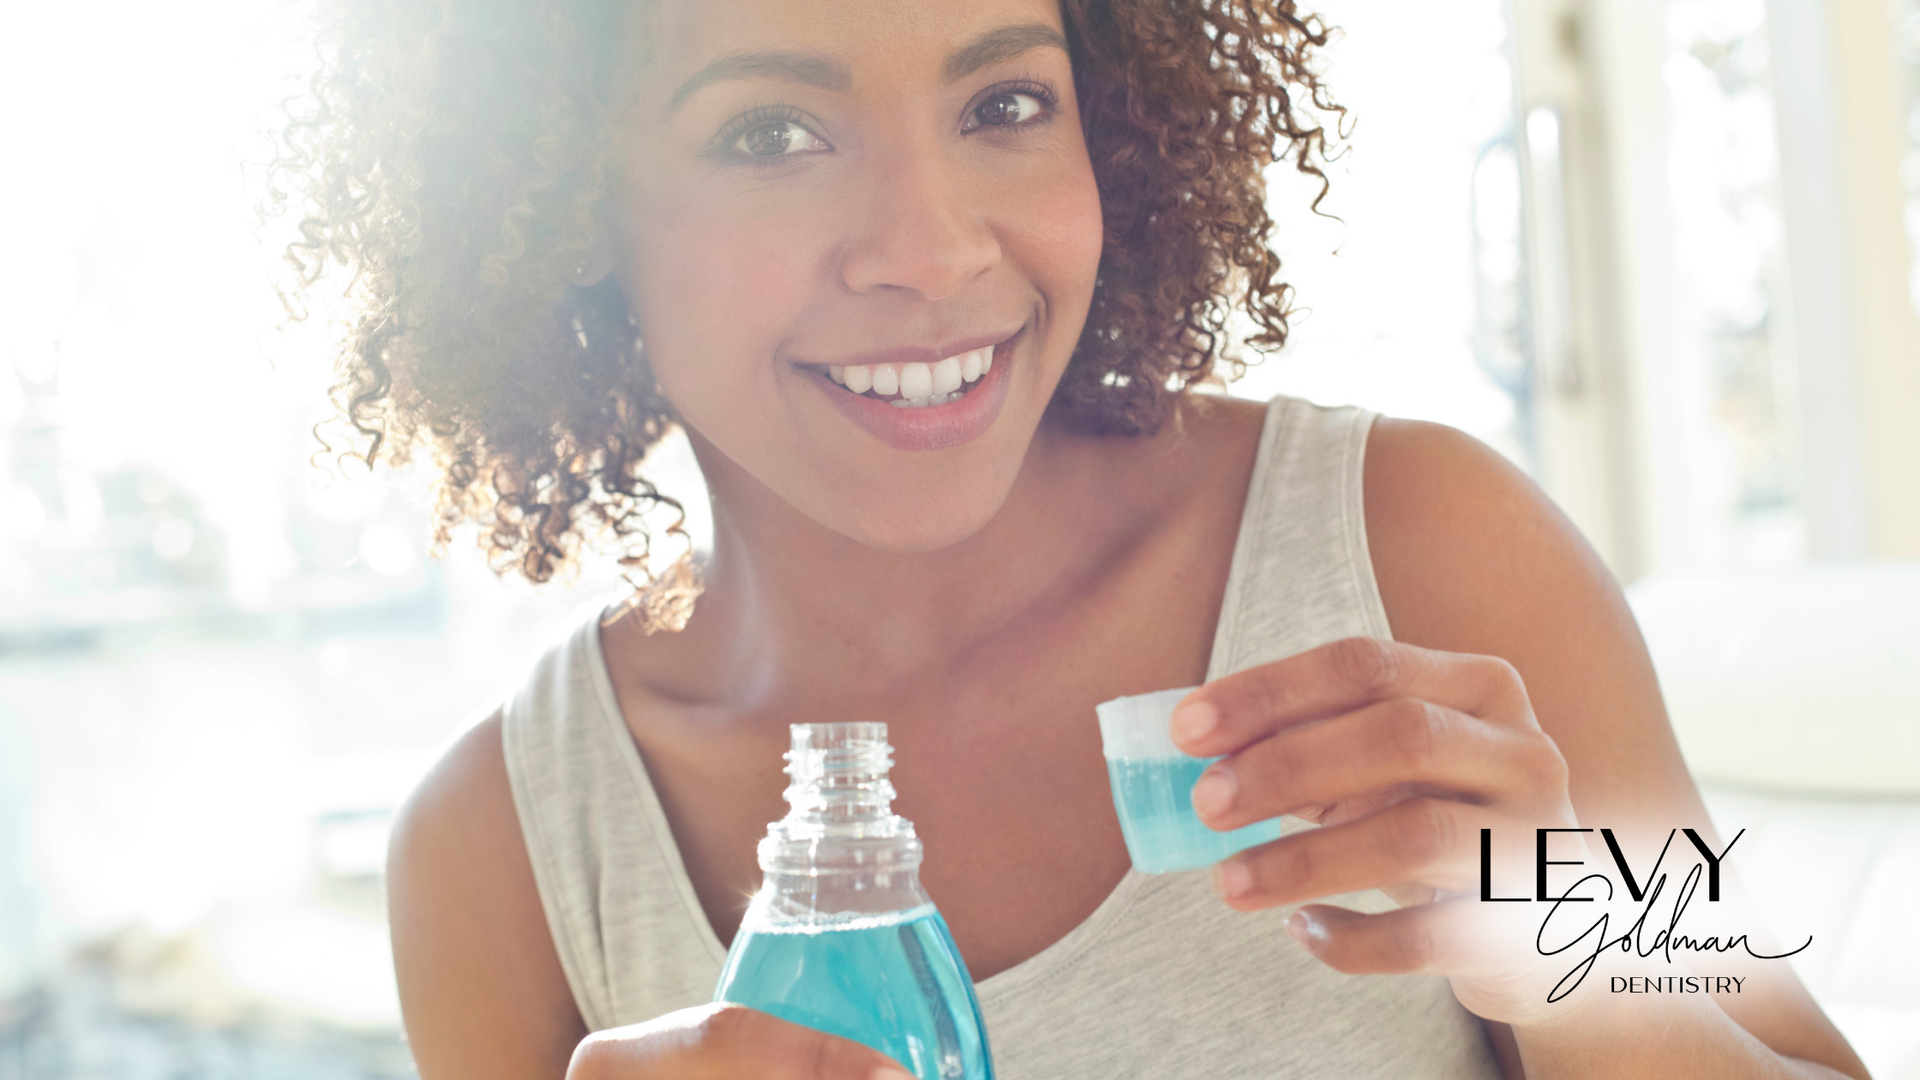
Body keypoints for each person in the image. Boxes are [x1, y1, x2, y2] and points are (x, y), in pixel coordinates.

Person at [274, 0, 1870, 1077]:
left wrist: (1572, 946)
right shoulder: (509, 848)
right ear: (561, 213)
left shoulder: (1420, 552)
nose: (934, 246)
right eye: (770, 132)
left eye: (1006, 103)